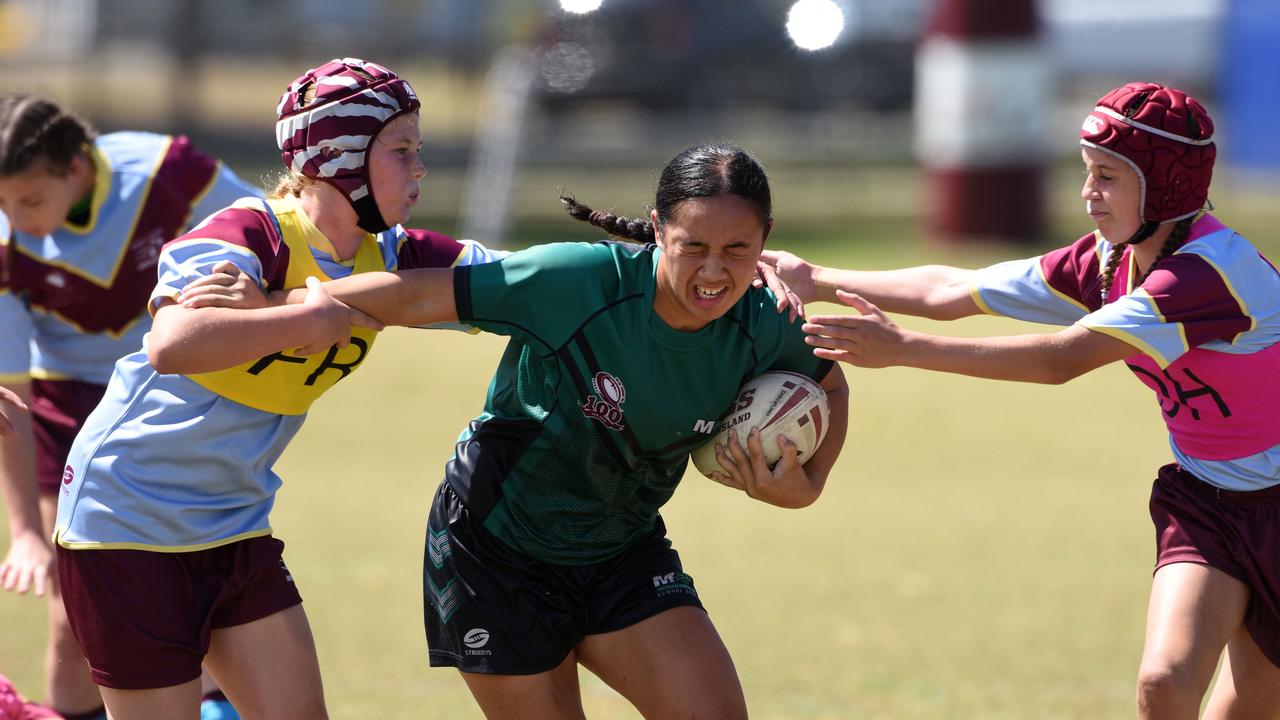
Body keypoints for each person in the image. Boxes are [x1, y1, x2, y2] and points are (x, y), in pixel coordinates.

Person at [196, 142, 851, 718]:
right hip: (495, 548)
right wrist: (274, 308)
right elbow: (417, 294)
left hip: (621, 546)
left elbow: (828, 381)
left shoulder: (768, 319)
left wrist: (807, 485)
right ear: (657, 230)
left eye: (737, 249)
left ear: (766, 239)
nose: (714, 272)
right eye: (693, 247)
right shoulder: (580, 282)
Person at [766, 81, 1280, 717]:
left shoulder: (1207, 276)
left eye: (1108, 178)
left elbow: (1061, 360)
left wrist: (902, 347)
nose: (1088, 194)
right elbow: (955, 287)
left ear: (1166, 185)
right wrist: (815, 278)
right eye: (1087, 173)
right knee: (1164, 685)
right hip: (1205, 500)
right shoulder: (1108, 262)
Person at [50, 58, 505, 720]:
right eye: (401, 151)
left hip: (233, 522)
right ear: (337, 156)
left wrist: (657, 264)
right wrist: (304, 316)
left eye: (419, 151)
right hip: (125, 522)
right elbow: (172, 344)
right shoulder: (253, 231)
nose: (419, 170)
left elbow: (517, 280)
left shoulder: (395, 254)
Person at [0, 94, 261, 720]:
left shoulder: (168, 175)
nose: (16, 220)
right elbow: (12, 400)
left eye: (29, 201)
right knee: (74, 619)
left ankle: (216, 703)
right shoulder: (6, 243)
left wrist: (261, 298)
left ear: (77, 168)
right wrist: (26, 535)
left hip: (177, 403)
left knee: (196, 589)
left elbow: (271, 234)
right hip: (70, 413)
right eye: (3, 204)